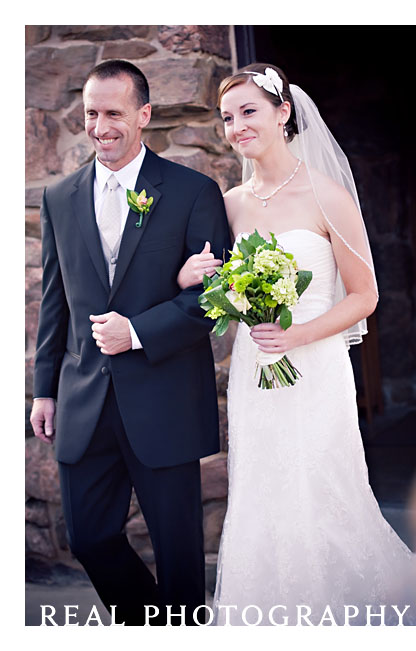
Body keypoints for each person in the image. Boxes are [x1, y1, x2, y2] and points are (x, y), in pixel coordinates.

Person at [177, 63, 416, 625]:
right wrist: (190, 275)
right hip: (254, 368)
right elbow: (219, 285)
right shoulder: (231, 202)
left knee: (320, 481)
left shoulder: (327, 194)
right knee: (261, 486)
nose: (237, 126)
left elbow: (365, 296)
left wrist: (297, 335)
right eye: (227, 117)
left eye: (249, 112)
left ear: (283, 113)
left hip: (314, 364)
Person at [29, 59, 231, 626]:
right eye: (91, 113)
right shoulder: (60, 196)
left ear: (144, 114)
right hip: (83, 397)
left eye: (114, 112)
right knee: (88, 538)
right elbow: (55, 302)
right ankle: (152, 628)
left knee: (179, 554)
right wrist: (44, 390)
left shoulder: (194, 192)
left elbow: (215, 299)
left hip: (163, 394)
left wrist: (138, 331)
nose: (100, 126)